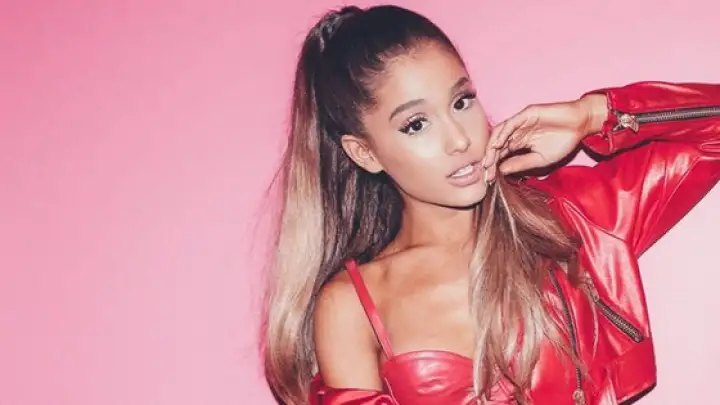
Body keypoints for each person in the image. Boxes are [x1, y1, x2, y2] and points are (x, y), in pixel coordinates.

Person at [260, 4, 720, 405]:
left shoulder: (571, 221)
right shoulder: (352, 305)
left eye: (462, 102)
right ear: (364, 153)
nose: (459, 139)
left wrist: (592, 115)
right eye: (416, 124)